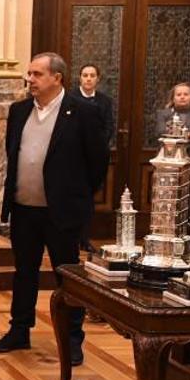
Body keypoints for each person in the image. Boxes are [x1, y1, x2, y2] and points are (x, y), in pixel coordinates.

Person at [0, 52, 108, 366]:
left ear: (57, 78)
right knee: (24, 272)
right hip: (24, 209)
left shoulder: (83, 112)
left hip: (62, 212)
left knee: (67, 276)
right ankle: (19, 330)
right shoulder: (19, 111)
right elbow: (14, 153)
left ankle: (72, 340)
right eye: (29, 73)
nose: (29, 79)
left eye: (36, 74)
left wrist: (76, 196)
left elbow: (97, 161)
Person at [72, 63, 115, 255]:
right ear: (79, 78)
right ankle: (71, 238)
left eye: (92, 75)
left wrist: (96, 147)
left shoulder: (105, 101)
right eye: (85, 75)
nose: (88, 78)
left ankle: (84, 238)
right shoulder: (71, 98)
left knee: (88, 200)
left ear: (98, 79)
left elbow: (108, 127)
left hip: (94, 159)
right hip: (74, 157)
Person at [156, 82, 190, 165]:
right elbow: (161, 133)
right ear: (173, 98)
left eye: (186, 94)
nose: (182, 97)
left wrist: (176, 134)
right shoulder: (163, 114)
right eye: (178, 95)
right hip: (168, 158)